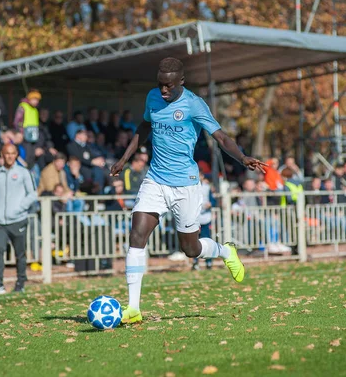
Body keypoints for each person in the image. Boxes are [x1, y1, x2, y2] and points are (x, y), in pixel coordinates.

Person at [109, 57, 266, 324]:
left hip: (186, 185)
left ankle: (225, 251)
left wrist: (242, 158)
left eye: (168, 86)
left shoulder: (194, 104)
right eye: (160, 85)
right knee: (137, 235)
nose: (163, 91)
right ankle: (133, 308)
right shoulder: (153, 98)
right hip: (155, 180)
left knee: (190, 249)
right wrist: (124, 159)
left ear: (181, 81)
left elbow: (221, 137)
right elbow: (144, 126)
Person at [0, 144, 37, 294]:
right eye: (7, 153)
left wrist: (19, 208)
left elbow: (32, 194)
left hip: (18, 220)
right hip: (0, 222)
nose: (9, 156)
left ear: (16, 155)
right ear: (2, 155)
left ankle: (20, 282)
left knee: (20, 253)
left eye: (12, 153)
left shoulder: (24, 172)